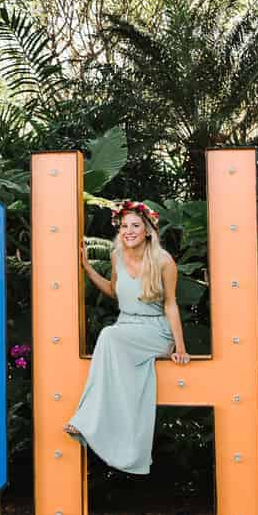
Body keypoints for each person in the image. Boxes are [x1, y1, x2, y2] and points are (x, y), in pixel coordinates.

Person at [65, 200, 190, 475]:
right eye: (124, 226)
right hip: (125, 329)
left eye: (135, 226)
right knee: (111, 339)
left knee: (108, 335)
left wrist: (180, 347)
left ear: (147, 231)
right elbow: (114, 291)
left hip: (155, 331)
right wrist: (87, 268)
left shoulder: (164, 261)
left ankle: (85, 421)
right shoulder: (117, 257)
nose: (129, 231)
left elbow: (171, 305)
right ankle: (97, 428)